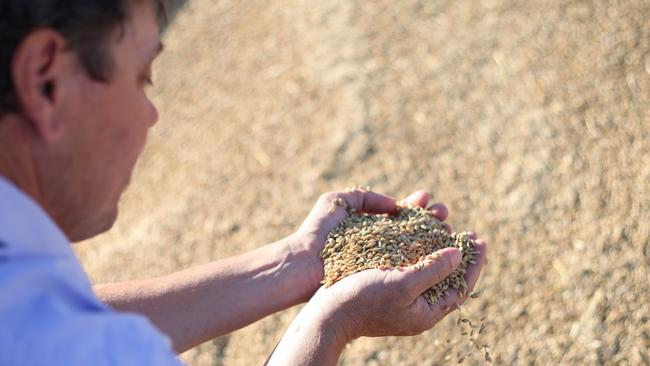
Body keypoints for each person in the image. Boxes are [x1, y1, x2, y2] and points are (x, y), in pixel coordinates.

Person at [0, 1, 487, 365]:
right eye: (142, 77)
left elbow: (72, 318)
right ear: (46, 81)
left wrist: (293, 262)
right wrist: (336, 320)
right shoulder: (42, 335)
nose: (151, 115)